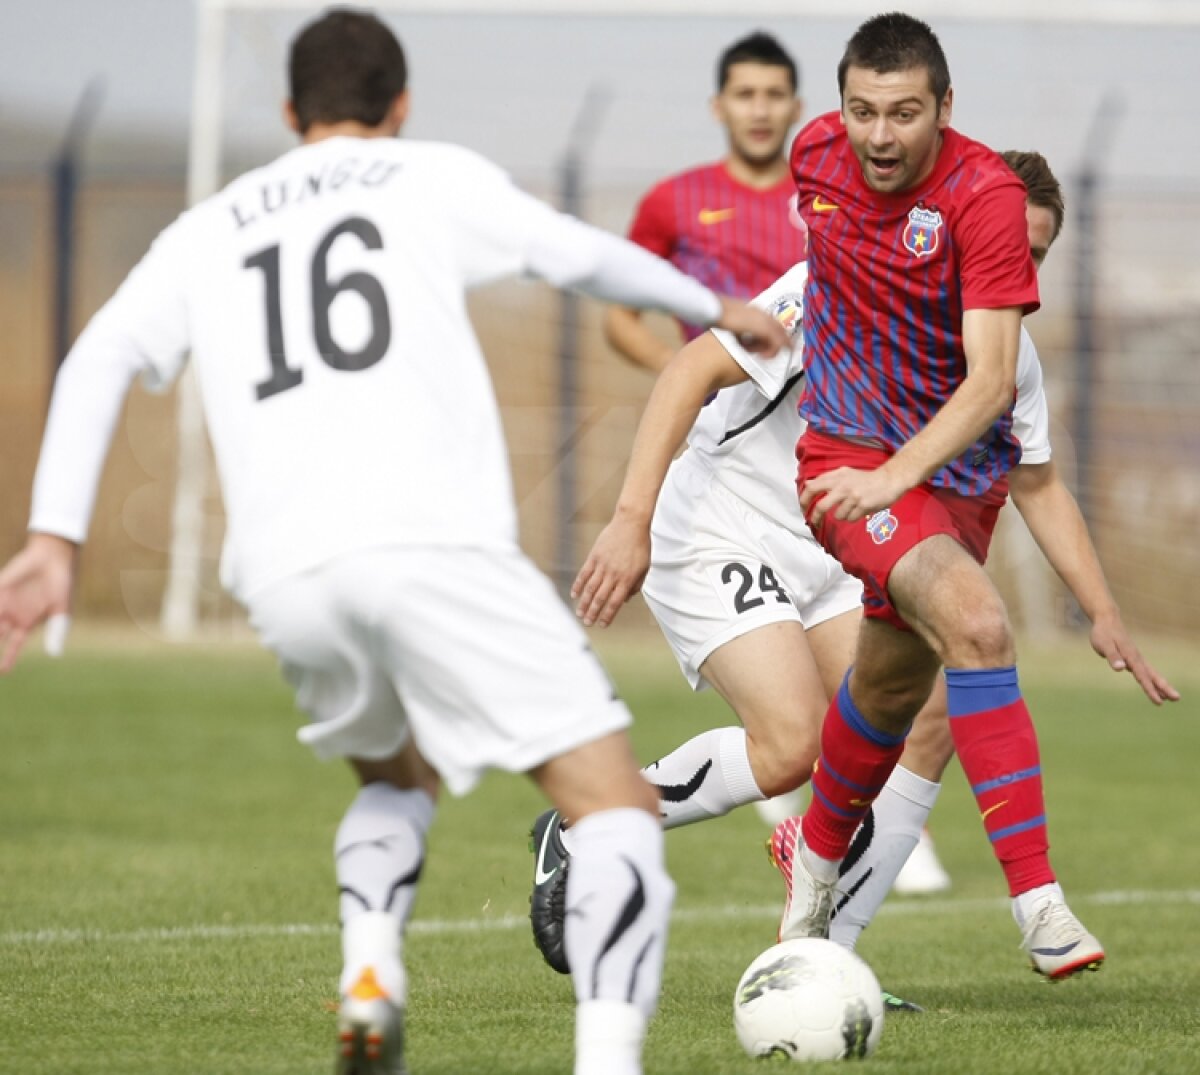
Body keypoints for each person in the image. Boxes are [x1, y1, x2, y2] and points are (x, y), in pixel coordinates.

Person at [0, 10, 790, 1075]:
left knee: (395, 776)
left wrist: (54, 538)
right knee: (611, 810)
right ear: (401, 105)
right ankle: (609, 1063)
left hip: (286, 574)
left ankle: (371, 967)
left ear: (290, 115)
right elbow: (574, 255)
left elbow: (95, 356)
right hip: (432, 546)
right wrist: (712, 302)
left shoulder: (211, 225)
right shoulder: (428, 176)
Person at [531, 146, 1176, 1001]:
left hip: (834, 542)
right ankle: (586, 823)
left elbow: (1039, 482)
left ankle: (824, 955)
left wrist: (1103, 612)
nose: (1011, 267)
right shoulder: (839, 284)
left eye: (1035, 255)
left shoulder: (1007, 361)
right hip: (724, 521)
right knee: (791, 744)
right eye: (1002, 242)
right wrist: (628, 519)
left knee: (930, 719)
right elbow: (692, 368)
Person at [774, 11, 1173, 979]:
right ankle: (1039, 903)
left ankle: (815, 878)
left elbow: (993, 389)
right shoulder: (814, 156)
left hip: (941, 488)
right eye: (862, 110)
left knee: (889, 688)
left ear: (946, 110)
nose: (878, 135)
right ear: (839, 108)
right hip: (850, 461)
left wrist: (1105, 609)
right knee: (981, 627)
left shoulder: (983, 200)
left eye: (904, 113)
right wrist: (873, 469)